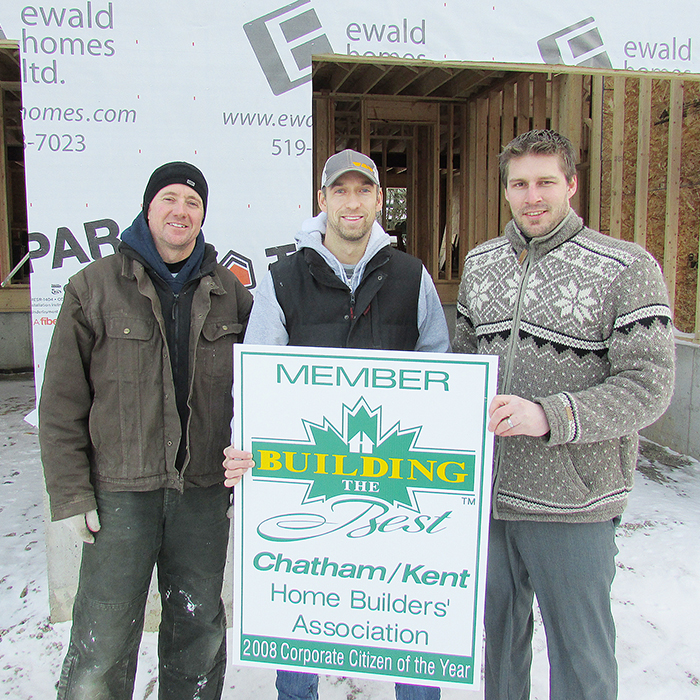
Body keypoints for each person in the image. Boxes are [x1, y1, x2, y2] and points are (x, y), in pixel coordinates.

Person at [452, 130, 676, 700]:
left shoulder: (626, 268)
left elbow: (649, 386)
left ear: (571, 185)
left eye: (546, 181)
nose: (533, 197)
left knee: (581, 659)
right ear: (505, 190)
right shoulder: (480, 266)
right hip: (493, 502)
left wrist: (550, 415)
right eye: (519, 184)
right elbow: (459, 362)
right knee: (500, 652)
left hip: (574, 502)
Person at [223, 149, 449, 700]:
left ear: (378, 201)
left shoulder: (411, 276)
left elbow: (441, 368)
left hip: (395, 476)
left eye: (364, 190)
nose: (353, 202)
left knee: (408, 622)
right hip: (307, 481)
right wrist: (243, 447)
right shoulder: (282, 280)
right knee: (299, 621)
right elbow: (258, 377)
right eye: (340, 191)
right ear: (322, 200)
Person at [39, 161, 253, 700]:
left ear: (203, 216)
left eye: (193, 203)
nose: (181, 211)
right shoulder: (94, 288)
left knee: (197, 634)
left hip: (203, 492)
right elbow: (61, 402)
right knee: (103, 640)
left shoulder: (232, 294)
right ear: (148, 207)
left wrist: (251, 456)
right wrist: (70, 494)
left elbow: (258, 391)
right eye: (170, 199)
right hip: (120, 494)